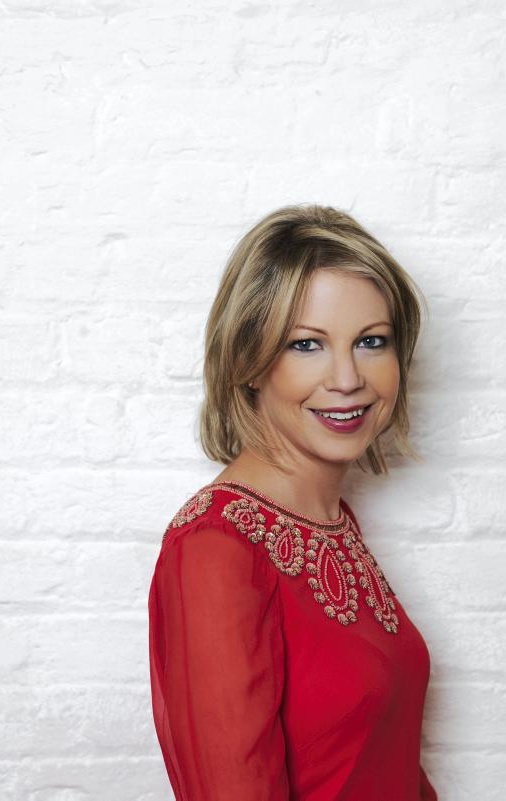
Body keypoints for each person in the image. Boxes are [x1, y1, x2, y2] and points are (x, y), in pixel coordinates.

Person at [148, 204, 439, 800]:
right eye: (307, 345)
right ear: (249, 362)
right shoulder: (216, 548)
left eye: (372, 341)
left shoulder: (332, 522)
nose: (347, 378)